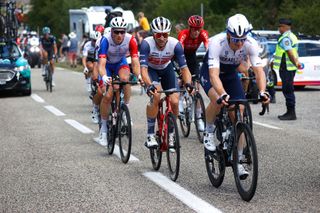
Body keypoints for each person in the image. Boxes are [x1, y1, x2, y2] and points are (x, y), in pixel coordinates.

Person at [199, 14, 270, 178]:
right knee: (217, 101)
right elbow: (214, 75)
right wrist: (223, 94)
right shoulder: (217, 43)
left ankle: (238, 161)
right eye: (235, 40)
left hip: (230, 75)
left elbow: (259, 71)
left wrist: (262, 91)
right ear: (228, 34)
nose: (239, 43)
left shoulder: (251, 44)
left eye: (242, 39)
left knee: (240, 112)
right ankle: (209, 132)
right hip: (212, 75)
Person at [140, 16, 194, 148]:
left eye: (165, 34)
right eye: (159, 34)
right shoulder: (146, 44)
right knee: (156, 95)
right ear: (153, 34)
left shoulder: (175, 44)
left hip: (166, 69)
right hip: (151, 70)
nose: (162, 38)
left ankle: (171, 134)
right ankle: (150, 135)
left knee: (175, 101)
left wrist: (188, 83)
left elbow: (184, 69)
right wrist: (149, 85)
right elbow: (143, 69)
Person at [97, 17, 141, 146]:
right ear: (111, 31)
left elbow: (135, 61)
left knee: (125, 80)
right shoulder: (105, 40)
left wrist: (137, 76)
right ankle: (104, 130)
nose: (119, 35)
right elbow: (101, 64)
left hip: (120, 64)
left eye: (122, 32)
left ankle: (125, 109)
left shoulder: (131, 39)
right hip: (107, 66)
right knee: (108, 96)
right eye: (116, 32)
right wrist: (104, 77)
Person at [177, 15, 209, 131]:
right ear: (189, 28)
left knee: (196, 86)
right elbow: (179, 50)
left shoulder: (203, 33)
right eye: (194, 29)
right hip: (180, 56)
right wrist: (182, 69)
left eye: (199, 28)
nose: (197, 31)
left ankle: (199, 118)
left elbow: (208, 47)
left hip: (192, 57)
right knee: (184, 79)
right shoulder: (183, 34)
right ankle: (180, 100)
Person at [273, 18, 301, 120]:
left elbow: (289, 52)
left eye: (280, 26)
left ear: (285, 27)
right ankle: (290, 112)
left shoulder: (285, 38)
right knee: (288, 89)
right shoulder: (292, 36)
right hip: (290, 67)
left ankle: (291, 113)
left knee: (288, 90)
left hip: (287, 67)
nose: (279, 28)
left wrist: (295, 63)